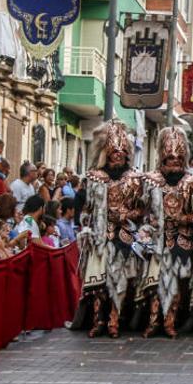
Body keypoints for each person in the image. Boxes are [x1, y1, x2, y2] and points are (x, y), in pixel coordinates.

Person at [73, 120, 145, 338]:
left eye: (122, 152)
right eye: (114, 152)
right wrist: (86, 225)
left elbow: (142, 211)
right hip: (99, 236)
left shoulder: (135, 179)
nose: (118, 155)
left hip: (124, 236)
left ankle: (114, 320)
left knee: (121, 282)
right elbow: (86, 209)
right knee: (98, 283)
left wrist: (126, 215)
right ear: (106, 152)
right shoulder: (94, 177)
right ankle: (98, 320)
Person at [139, 127, 193, 339]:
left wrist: (183, 219)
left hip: (182, 241)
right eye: (170, 160)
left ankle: (169, 321)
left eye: (178, 160)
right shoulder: (149, 180)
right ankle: (153, 321)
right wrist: (147, 227)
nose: (174, 163)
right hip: (156, 241)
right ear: (162, 160)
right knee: (155, 282)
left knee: (175, 284)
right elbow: (142, 212)